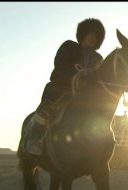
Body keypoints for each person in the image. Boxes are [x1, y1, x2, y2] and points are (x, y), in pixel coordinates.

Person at [25, 18, 106, 155]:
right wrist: (77, 72)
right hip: (61, 86)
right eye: (90, 34)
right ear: (83, 34)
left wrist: (91, 73)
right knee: (47, 107)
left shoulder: (98, 58)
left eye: (96, 36)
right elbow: (60, 64)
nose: (93, 38)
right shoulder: (69, 46)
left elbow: (99, 77)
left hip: (84, 94)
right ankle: (34, 139)